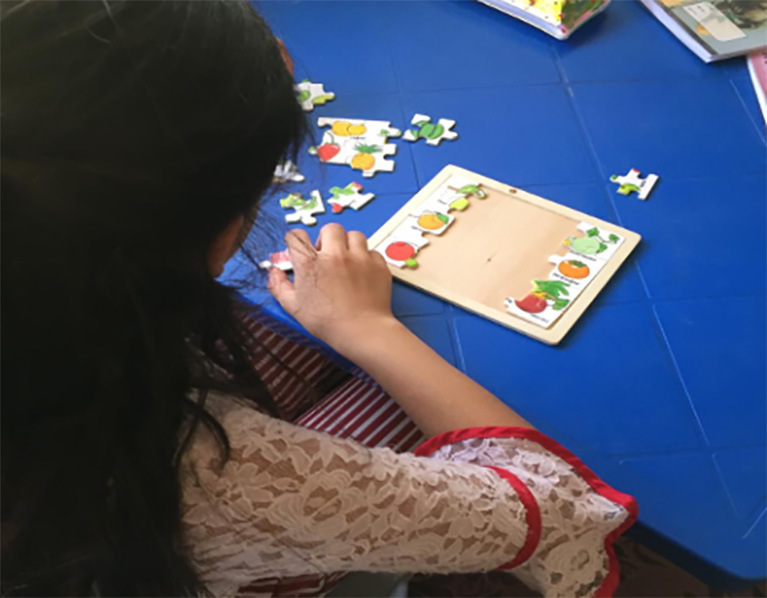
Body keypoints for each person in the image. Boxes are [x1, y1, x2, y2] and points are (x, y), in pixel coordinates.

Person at [0, 1, 637, 597]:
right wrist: (366, 328)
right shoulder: (205, 472)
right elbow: (562, 518)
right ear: (207, 224)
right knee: (375, 400)